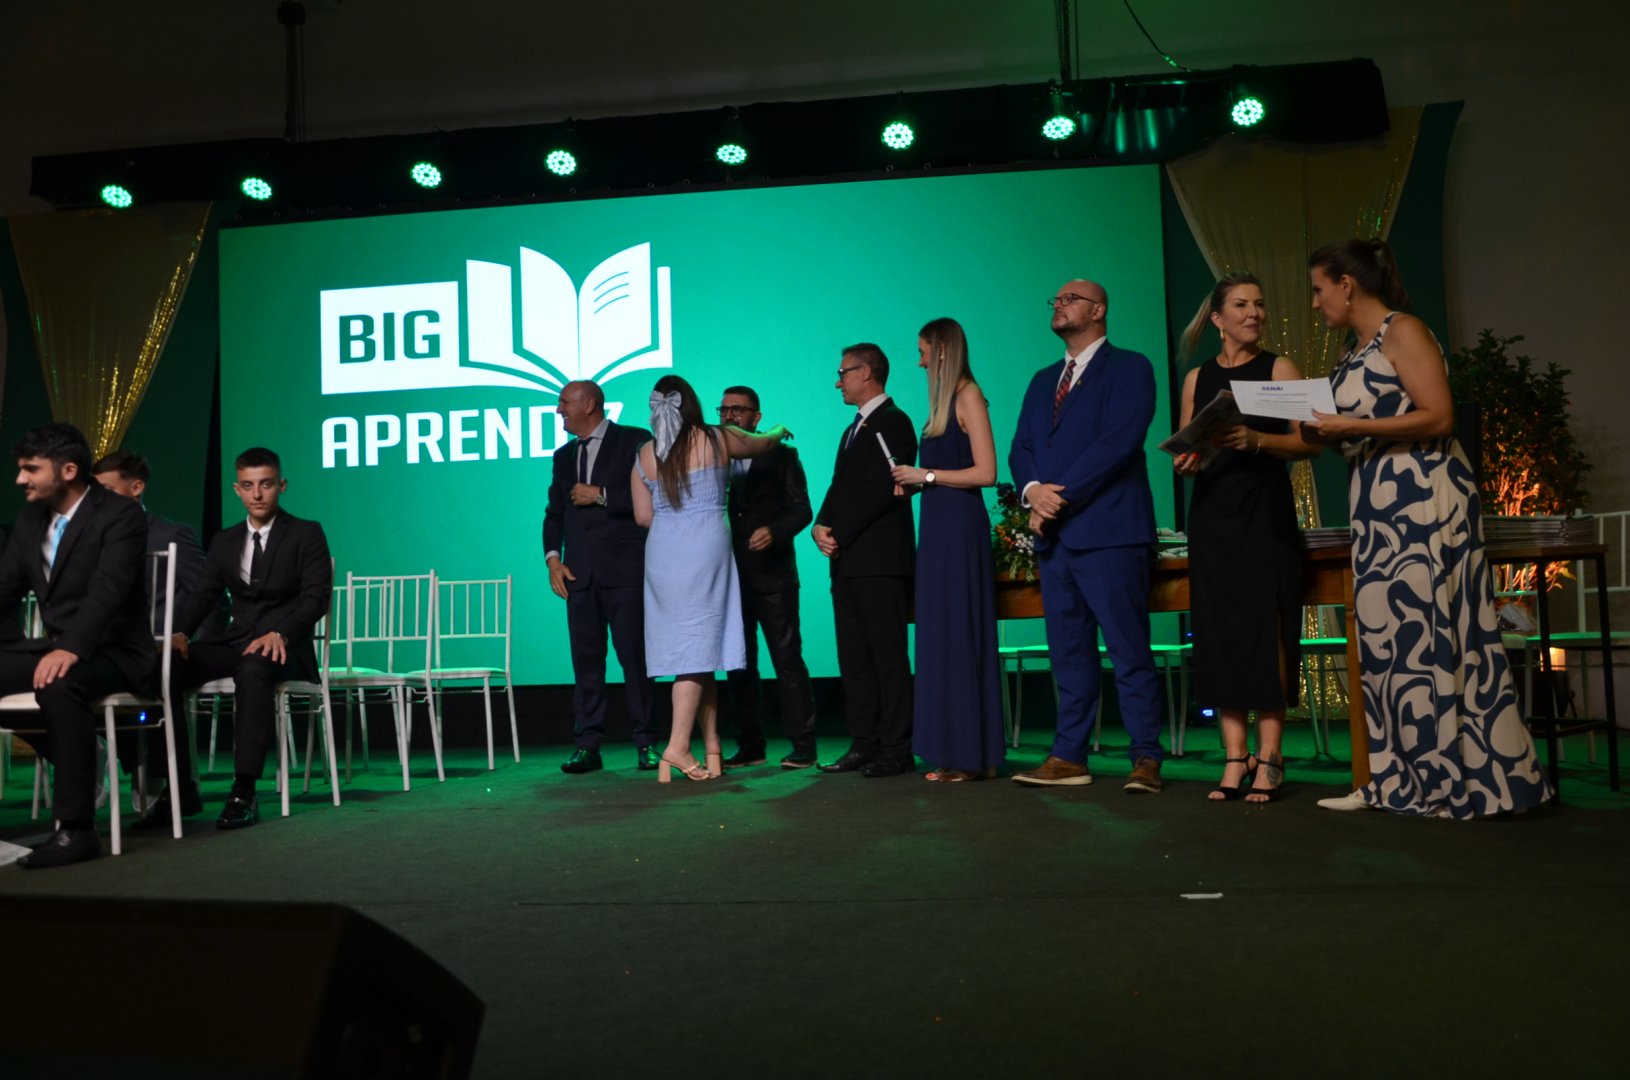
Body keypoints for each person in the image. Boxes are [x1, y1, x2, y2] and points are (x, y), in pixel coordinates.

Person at [1301, 239, 1551, 817]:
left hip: (1424, 498)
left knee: (1433, 634)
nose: (1315, 303)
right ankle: (1395, 781)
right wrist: (1327, 432)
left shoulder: (1403, 331)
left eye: (1318, 290)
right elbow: (1364, 428)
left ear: (1346, 286)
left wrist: (1348, 424)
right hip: (1377, 506)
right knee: (1388, 642)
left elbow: (1438, 415)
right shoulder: (1352, 351)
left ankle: (1459, 783)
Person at [1009, 280, 1166, 792]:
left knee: (1128, 650)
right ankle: (1068, 756)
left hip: (1111, 534)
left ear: (1098, 310)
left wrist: (1058, 498)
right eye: (1054, 299)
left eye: (1069, 299)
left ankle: (1145, 758)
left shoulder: (1131, 367)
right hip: (1057, 541)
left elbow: (1119, 442)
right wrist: (1033, 491)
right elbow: (1021, 448)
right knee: (1069, 655)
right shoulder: (1041, 380)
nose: (1058, 304)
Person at [1173, 273, 1320, 803]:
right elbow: (1187, 443)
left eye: (1259, 304)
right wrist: (1187, 461)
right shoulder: (1198, 377)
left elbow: (1311, 443)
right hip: (1211, 516)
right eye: (1241, 305)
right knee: (1218, 633)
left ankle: (1272, 755)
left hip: (1264, 512)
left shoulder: (1280, 368)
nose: (1254, 313)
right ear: (1218, 318)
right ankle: (1236, 756)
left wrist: (1257, 439)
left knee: (1266, 628)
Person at [152, 447, 333, 831]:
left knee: (252, 670)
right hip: (236, 641)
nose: (257, 494)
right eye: (248, 486)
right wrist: (180, 633)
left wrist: (281, 632)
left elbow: (316, 598)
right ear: (237, 489)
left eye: (266, 484)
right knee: (164, 667)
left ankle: (243, 791)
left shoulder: (306, 533)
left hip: (287, 647)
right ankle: (180, 787)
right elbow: (203, 594)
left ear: (281, 486)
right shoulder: (225, 540)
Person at [0, 423, 155, 868]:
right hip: (54, 649)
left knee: (59, 684)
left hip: (117, 652)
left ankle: (77, 830)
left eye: (31, 469)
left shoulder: (121, 515)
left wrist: (71, 648)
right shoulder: (30, 521)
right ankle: (84, 750)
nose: (20, 479)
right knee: (49, 674)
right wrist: (60, 649)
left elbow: (110, 591)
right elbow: (5, 590)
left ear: (68, 470)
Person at [630, 375, 791, 782]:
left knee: (700, 651)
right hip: (703, 548)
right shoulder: (716, 437)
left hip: (663, 554)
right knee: (697, 652)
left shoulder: (644, 453)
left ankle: (713, 745)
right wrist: (777, 429)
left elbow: (643, 517)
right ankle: (677, 747)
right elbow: (764, 443)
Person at [888, 318, 1003, 782]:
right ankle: (958, 752)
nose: (918, 362)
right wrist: (917, 483)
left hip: (958, 530)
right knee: (941, 638)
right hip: (937, 527)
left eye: (922, 352)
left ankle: (971, 756)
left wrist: (926, 476)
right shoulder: (942, 403)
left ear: (940, 351)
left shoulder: (968, 395)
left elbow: (987, 472)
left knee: (959, 635)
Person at [813, 344, 919, 777]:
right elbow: (840, 486)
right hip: (849, 561)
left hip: (879, 561)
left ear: (867, 372)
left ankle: (897, 747)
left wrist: (840, 533)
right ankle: (865, 742)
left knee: (887, 657)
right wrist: (820, 524)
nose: (837, 381)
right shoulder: (852, 429)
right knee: (854, 656)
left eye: (843, 372)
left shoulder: (894, 422)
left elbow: (883, 490)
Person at [543, 380, 659, 774]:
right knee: (586, 663)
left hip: (626, 571)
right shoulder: (563, 456)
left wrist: (602, 494)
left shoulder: (635, 441)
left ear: (589, 403)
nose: (559, 410)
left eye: (564, 402)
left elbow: (655, 495)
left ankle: (647, 743)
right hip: (579, 575)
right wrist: (553, 560)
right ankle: (587, 745)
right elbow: (555, 513)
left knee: (635, 661)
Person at [718, 385, 819, 770]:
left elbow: (802, 509)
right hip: (728, 576)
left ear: (756, 417)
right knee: (738, 665)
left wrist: (774, 531)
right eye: (723, 409)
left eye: (737, 409)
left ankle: (803, 744)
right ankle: (750, 745)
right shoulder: (712, 455)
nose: (729, 415)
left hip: (773, 574)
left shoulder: (782, 454)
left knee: (787, 660)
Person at [91, 450, 225, 641]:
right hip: (103, 647)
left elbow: (212, 600)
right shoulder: (93, 538)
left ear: (137, 487)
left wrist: (196, 648)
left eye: (107, 490)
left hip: (159, 648)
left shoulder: (172, 535)